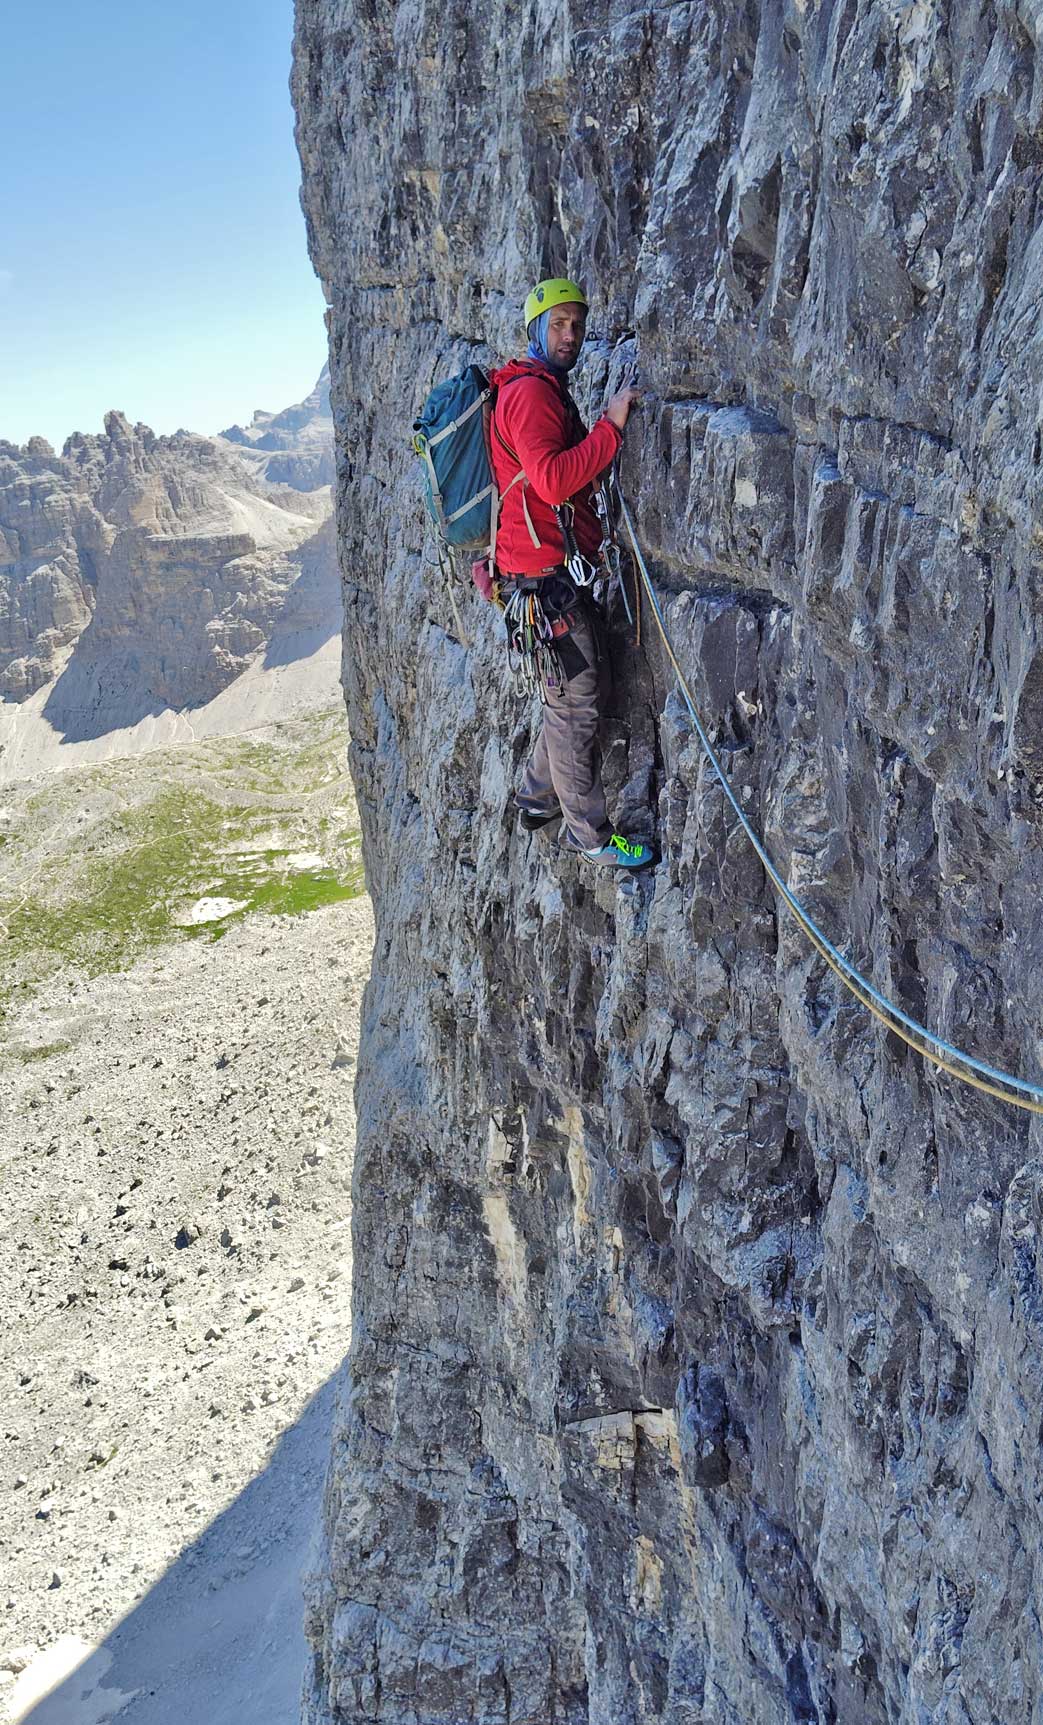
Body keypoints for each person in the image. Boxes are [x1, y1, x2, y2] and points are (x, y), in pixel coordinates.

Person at [488, 278, 653, 870]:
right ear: (536, 328)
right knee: (577, 704)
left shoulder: (540, 389)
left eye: (577, 325)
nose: (570, 335)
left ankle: (536, 798)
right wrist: (610, 427)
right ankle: (590, 838)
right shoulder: (531, 396)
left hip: (542, 578)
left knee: (575, 694)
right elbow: (554, 480)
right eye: (557, 323)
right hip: (544, 587)